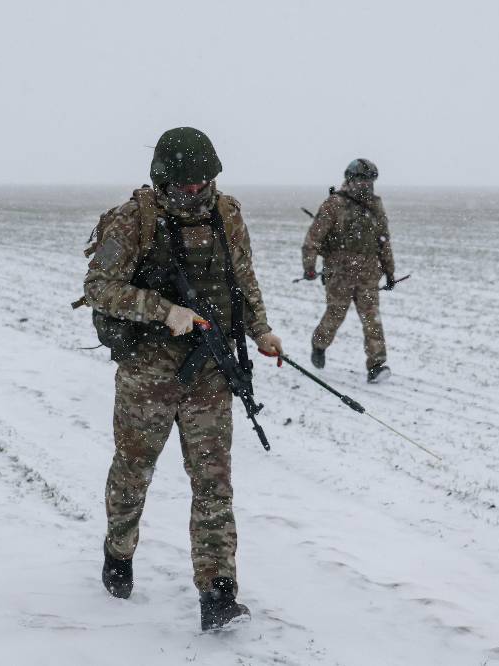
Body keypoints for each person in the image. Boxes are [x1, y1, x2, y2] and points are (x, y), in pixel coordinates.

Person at [83, 127, 282, 631]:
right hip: (147, 374)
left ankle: (218, 595)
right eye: (186, 187)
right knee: (133, 474)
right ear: (163, 180)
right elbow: (99, 287)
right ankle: (118, 555)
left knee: (213, 484)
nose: (196, 194)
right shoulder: (134, 221)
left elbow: (244, 279)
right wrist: (162, 308)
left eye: (204, 184)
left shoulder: (227, 214)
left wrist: (262, 331)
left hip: (209, 372)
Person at [301, 158, 396, 383]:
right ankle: (319, 344)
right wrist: (309, 267)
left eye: (369, 180)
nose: (365, 185)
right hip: (339, 276)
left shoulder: (375, 206)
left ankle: (377, 365)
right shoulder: (334, 204)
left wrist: (390, 272)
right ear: (350, 179)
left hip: (368, 276)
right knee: (335, 316)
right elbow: (313, 239)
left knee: (372, 320)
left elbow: (384, 242)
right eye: (361, 180)